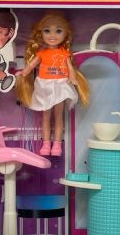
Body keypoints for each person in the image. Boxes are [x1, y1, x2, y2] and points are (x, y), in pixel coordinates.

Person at [15, 12, 88, 156]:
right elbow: (31, 65)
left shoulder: (64, 53)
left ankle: (57, 145)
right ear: (40, 33)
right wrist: (24, 73)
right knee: (46, 117)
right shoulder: (42, 53)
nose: (52, 35)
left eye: (58, 31)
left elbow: (70, 67)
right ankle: (46, 144)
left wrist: (73, 78)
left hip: (60, 85)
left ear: (66, 34)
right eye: (47, 31)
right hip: (44, 86)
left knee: (58, 117)